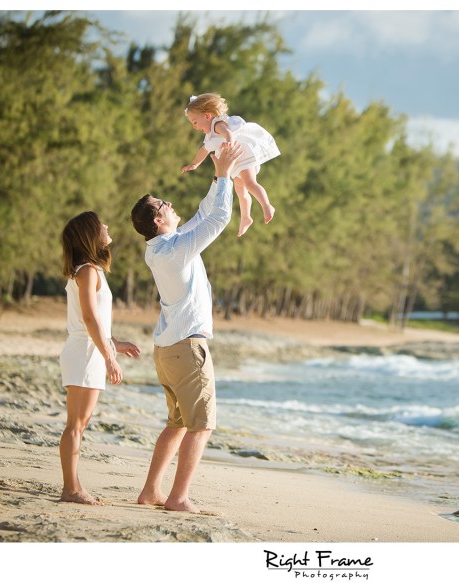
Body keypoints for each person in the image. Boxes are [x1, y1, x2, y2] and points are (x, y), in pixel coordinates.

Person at [131, 142, 243, 512]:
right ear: (158, 221)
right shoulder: (174, 249)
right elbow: (217, 221)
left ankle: (151, 491)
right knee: (201, 425)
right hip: (186, 348)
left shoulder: (165, 247)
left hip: (168, 350)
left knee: (178, 423)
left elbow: (202, 213)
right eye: (165, 205)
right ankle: (178, 497)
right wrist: (226, 176)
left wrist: (217, 175)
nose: (171, 205)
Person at [58, 211, 141, 505]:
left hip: (89, 349)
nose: (106, 226)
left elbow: (97, 322)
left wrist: (115, 344)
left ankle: (74, 485)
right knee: (76, 424)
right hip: (84, 351)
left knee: (80, 422)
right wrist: (109, 358)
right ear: (89, 235)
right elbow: (89, 319)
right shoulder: (87, 271)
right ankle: (71, 489)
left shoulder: (92, 270)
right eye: (101, 224)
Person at [181, 92, 279, 237]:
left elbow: (229, 133)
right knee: (240, 190)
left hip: (240, 154)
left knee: (250, 183)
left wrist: (229, 143)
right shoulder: (210, 135)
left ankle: (266, 205)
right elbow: (204, 150)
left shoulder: (217, 124)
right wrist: (194, 164)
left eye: (195, 122)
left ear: (207, 116)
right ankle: (246, 217)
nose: (194, 127)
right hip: (234, 162)